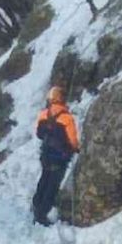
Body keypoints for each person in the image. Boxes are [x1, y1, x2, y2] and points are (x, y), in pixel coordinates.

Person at [32, 86, 79, 226]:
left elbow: (39, 134)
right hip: (59, 157)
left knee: (44, 179)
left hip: (45, 154)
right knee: (52, 186)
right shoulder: (66, 117)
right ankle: (42, 215)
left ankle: (36, 205)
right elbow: (72, 140)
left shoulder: (43, 114)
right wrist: (76, 148)